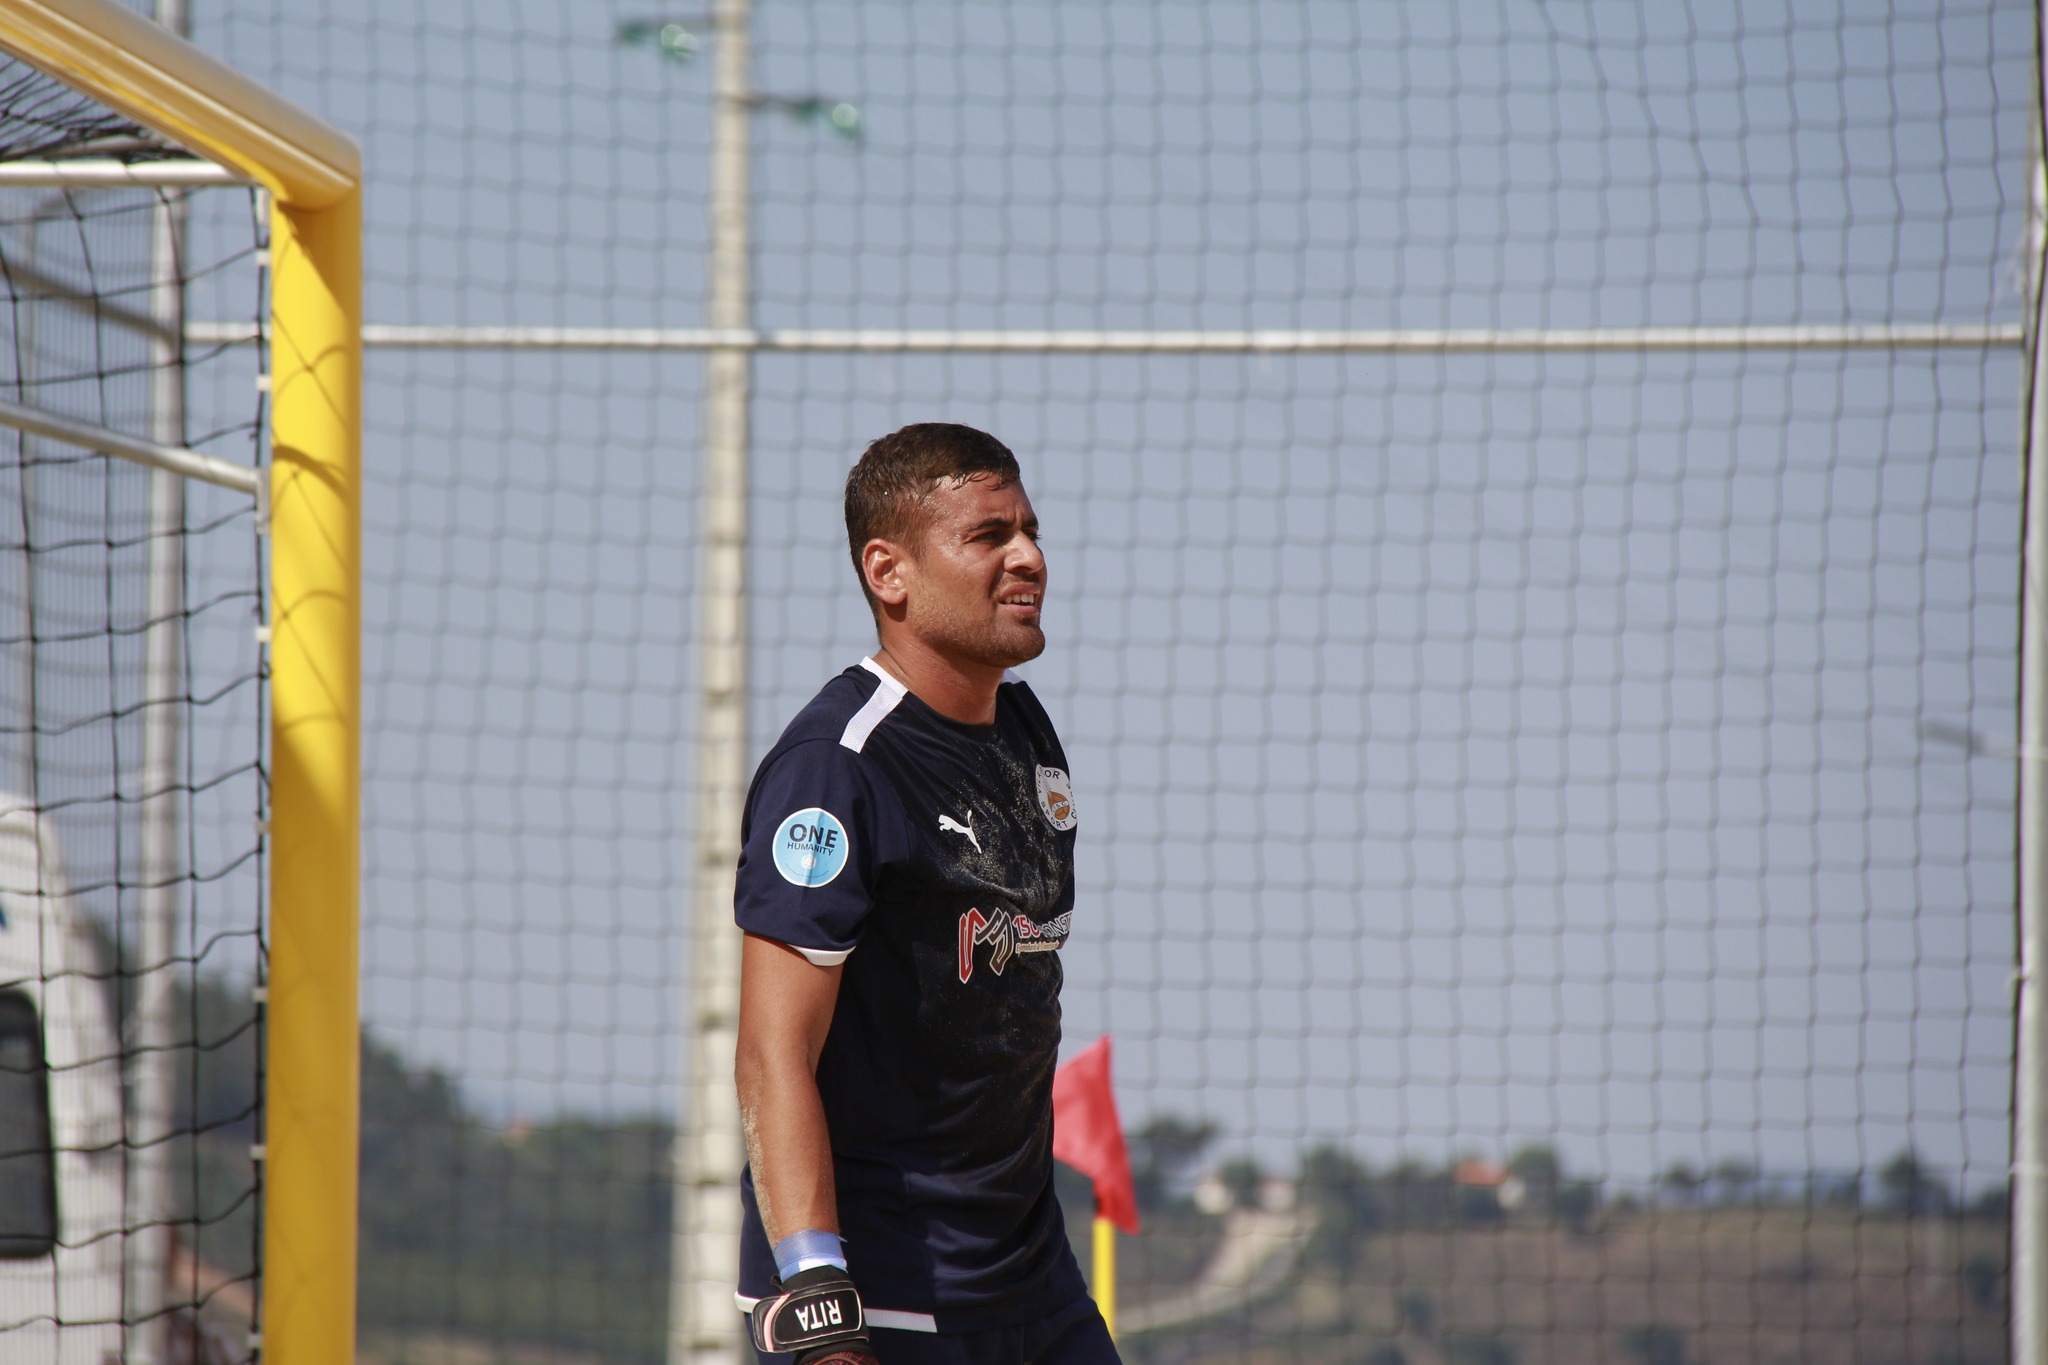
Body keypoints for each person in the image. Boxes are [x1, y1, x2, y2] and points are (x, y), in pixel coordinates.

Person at [732, 423, 1118, 1365]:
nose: (1029, 555)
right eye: (988, 536)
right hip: (886, 1290)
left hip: (1031, 1275)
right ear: (889, 571)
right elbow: (771, 1052)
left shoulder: (1024, 727)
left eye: (1029, 528)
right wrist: (821, 1297)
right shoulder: (835, 769)